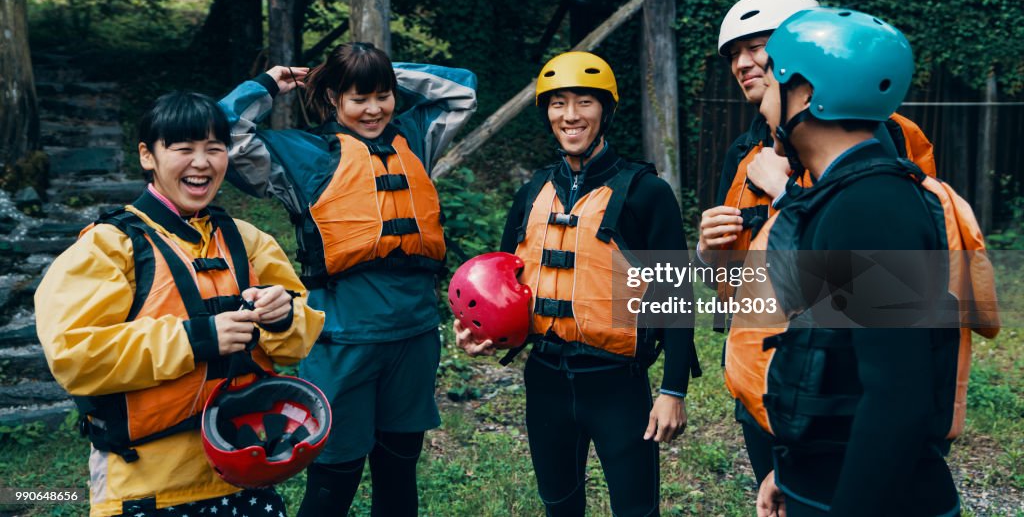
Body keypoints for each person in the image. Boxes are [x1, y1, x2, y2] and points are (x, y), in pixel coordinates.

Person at [743, 8, 996, 516]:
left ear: (807, 94)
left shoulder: (872, 207)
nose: (764, 103)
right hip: (823, 483)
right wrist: (792, 473)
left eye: (772, 81)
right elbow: (842, 366)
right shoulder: (848, 196)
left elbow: (895, 400)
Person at [217, 42, 477, 517]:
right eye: (358, 98)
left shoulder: (415, 137)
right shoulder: (303, 155)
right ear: (333, 98)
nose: (374, 109)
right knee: (333, 479)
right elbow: (222, 130)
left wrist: (377, 70)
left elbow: (461, 89)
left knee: (399, 473)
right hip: (341, 339)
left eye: (383, 95)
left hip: (414, 335)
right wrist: (268, 86)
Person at [35, 92, 325, 517]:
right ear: (147, 156)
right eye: (183, 149)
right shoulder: (108, 247)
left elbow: (296, 343)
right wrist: (197, 338)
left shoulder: (246, 239)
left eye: (214, 148)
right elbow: (74, 356)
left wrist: (283, 317)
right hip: (147, 489)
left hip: (246, 473)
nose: (202, 162)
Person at [701, 0, 938, 483]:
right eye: (733, 55)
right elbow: (739, 282)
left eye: (757, 46)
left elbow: (892, 268)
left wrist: (785, 192)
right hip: (766, 376)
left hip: (837, 383)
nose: (743, 63)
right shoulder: (745, 151)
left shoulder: (878, 136)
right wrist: (709, 253)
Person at [455, 51, 701, 517]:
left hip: (617, 384)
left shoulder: (647, 193)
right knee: (559, 507)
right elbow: (505, 280)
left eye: (584, 102)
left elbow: (676, 294)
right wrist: (482, 334)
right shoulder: (532, 192)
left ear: (606, 110)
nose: (570, 115)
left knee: (636, 510)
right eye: (558, 103)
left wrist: (673, 391)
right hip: (545, 378)